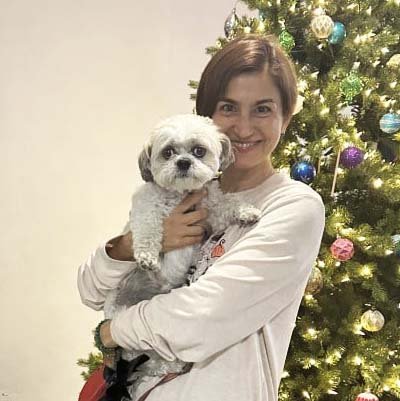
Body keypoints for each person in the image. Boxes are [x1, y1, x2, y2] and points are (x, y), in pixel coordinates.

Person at [78, 34, 325, 401]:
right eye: (228, 107)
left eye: (262, 109)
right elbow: (91, 288)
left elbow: (202, 320)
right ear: (207, 117)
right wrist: (136, 244)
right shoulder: (180, 192)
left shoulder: (293, 206)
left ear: (286, 117)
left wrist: (111, 332)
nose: (243, 127)